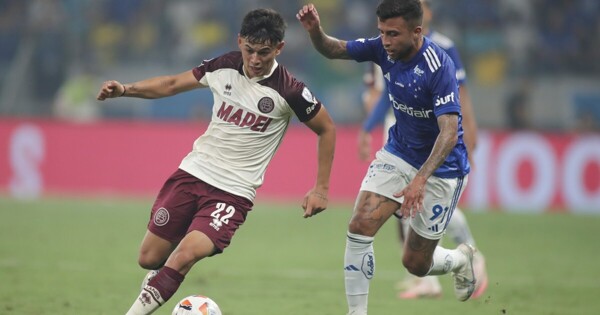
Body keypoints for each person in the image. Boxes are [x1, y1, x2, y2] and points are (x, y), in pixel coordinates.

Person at [96, 8, 336, 315]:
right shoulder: (223, 66)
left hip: (232, 193)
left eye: (264, 52)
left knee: (185, 255)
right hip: (192, 174)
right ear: (239, 42)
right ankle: (160, 280)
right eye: (249, 50)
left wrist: (321, 188)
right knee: (149, 258)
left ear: (279, 49)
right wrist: (126, 90)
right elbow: (171, 84)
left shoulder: (290, 90)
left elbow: (327, 128)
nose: (255, 59)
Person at [298, 1, 476, 313]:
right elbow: (333, 49)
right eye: (381, 32)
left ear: (417, 31)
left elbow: (449, 134)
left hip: (441, 168)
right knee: (360, 226)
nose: (385, 41)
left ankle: (461, 258)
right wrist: (316, 32)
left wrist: (420, 180)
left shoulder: (439, 66)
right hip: (398, 153)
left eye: (393, 34)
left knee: (415, 263)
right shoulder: (382, 49)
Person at [357, 0, 488, 300]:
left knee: (423, 210)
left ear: (425, 14)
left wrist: (469, 130)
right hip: (399, 141)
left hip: (436, 145)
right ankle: (426, 278)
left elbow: (461, 94)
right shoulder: (383, 44)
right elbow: (384, 94)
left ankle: (469, 252)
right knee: (404, 213)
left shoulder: (443, 50)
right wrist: (368, 127)